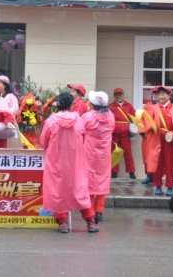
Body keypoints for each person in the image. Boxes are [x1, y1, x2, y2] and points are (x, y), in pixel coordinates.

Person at [40, 92, 98, 233]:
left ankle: (62, 223)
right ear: (72, 105)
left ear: (58, 105)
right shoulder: (79, 120)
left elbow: (43, 142)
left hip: (56, 163)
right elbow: (83, 138)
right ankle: (91, 222)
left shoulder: (51, 121)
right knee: (80, 191)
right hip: (76, 163)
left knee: (58, 192)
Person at [140, 85, 173, 197]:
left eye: (163, 94)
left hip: (170, 140)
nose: (160, 96)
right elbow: (146, 120)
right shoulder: (153, 108)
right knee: (157, 162)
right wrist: (143, 130)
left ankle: (170, 186)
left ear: (169, 96)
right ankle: (157, 185)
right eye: (159, 94)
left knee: (170, 163)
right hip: (156, 139)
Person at [82, 91, 114, 223]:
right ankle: (99, 210)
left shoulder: (87, 117)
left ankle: (91, 211)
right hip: (104, 154)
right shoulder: (110, 116)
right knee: (102, 181)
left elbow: (80, 131)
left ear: (92, 104)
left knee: (89, 182)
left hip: (89, 153)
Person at [109, 88, 137, 179]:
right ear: (114, 96)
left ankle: (131, 172)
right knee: (114, 153)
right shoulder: (110, 107)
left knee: (128, 153)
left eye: (120, 94)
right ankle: (114, 172)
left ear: (123, 95)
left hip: (126, 134)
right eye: (116, 95)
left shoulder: (128, 106)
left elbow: (134, 117)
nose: (118, 96)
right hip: (114, 134)